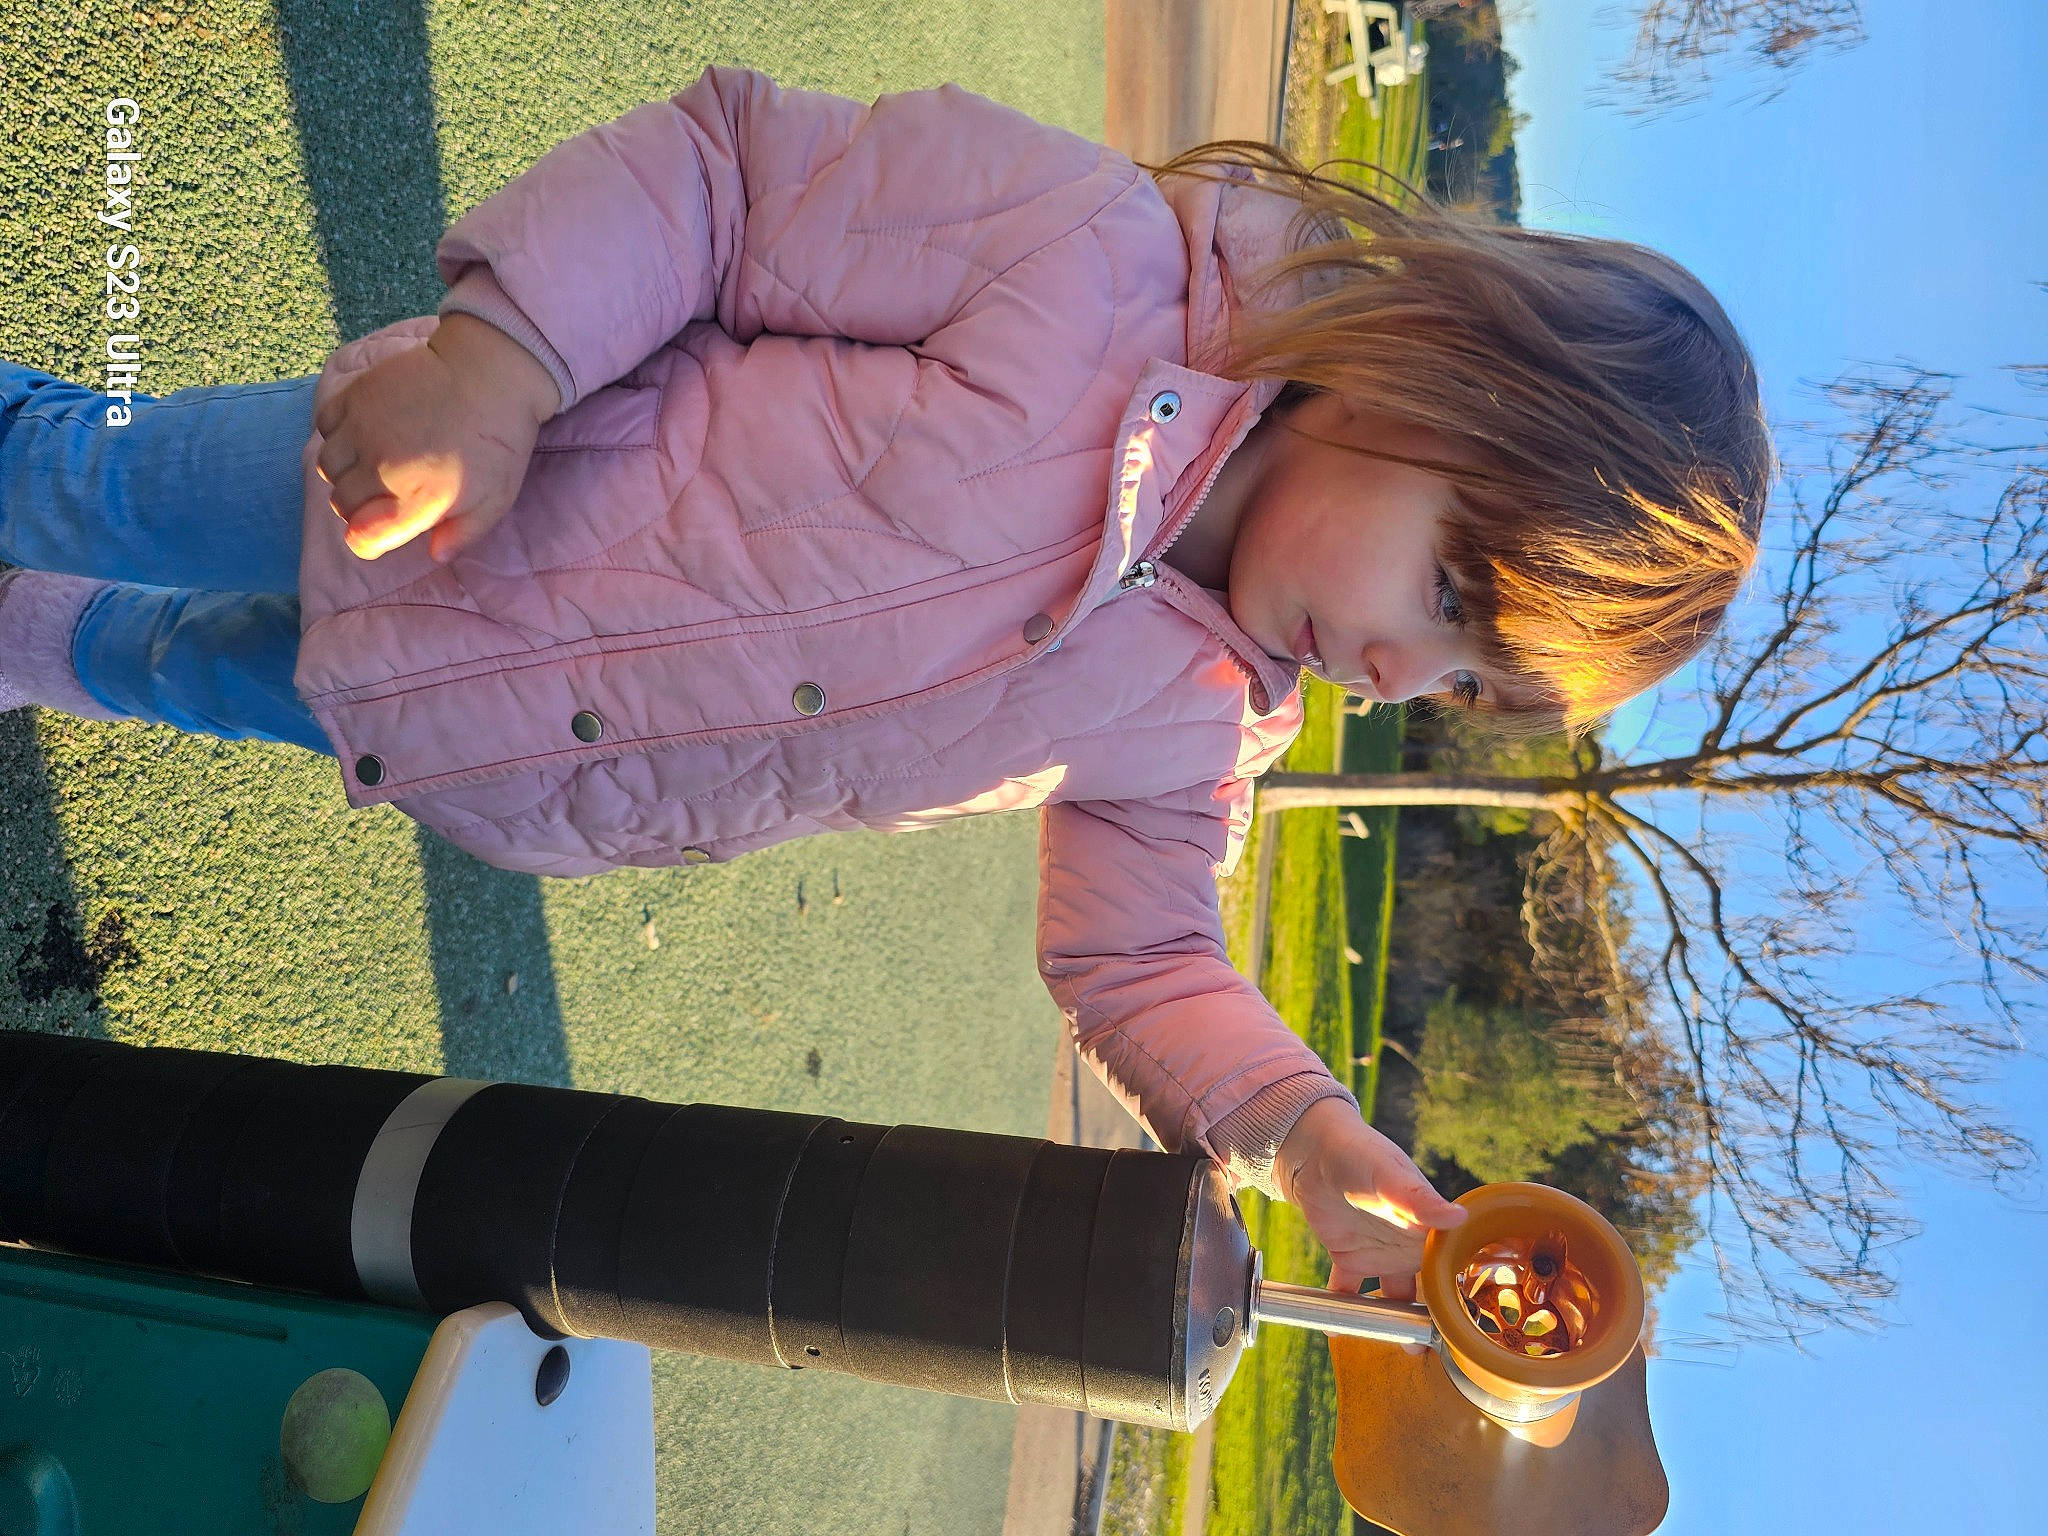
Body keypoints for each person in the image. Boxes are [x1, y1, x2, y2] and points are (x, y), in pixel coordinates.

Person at [0, 66, 1773, 1303]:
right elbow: (724, 180)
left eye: (1462, 684)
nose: (1406, 669)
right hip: (464, 489)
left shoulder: (1206, 723)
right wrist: (503, 361)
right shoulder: (1085, 262)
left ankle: (26, 641)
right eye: (1457, 589)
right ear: (1432, 375)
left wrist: (1304, 1133)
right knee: (99, 483)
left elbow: (1137, 954)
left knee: (191, 672)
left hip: (498, 750)